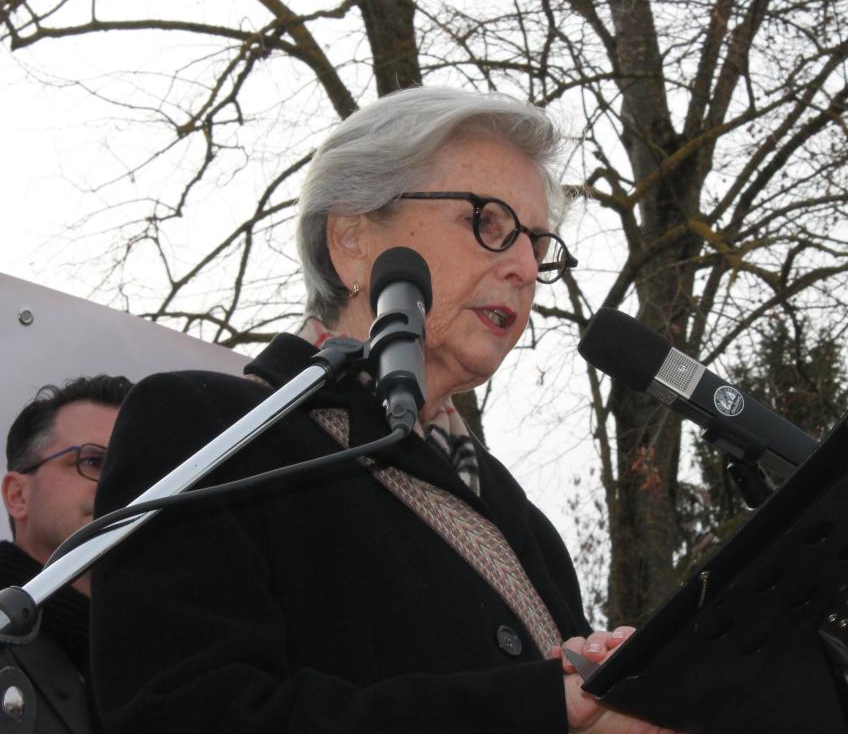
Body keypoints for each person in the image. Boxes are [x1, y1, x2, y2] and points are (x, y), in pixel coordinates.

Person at [90, 87, 677, 734]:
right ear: (351, 241)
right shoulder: (209, 430)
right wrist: (541, 707)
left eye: (538, 244)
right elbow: (186, 715)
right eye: (489, 222)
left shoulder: (525, 523)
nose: (522, 267)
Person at [2, 374, 133, 734]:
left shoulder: (172, 657)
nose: (119, 482)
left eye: (134, 469)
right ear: (18, 495)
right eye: (92, 461)